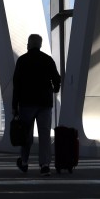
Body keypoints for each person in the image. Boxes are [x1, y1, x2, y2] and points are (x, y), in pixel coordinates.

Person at [12, 34, 61, 176]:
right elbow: (57, 78)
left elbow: (17, 85)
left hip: (26, 103)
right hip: (45, 103)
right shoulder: (47, 60)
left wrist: (14, 106)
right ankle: (45, 165)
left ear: (28, 44)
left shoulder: (22, 61)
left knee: (26, 134)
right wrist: (55, 89)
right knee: (44, 135)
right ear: (40, 45)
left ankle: (25, 162)